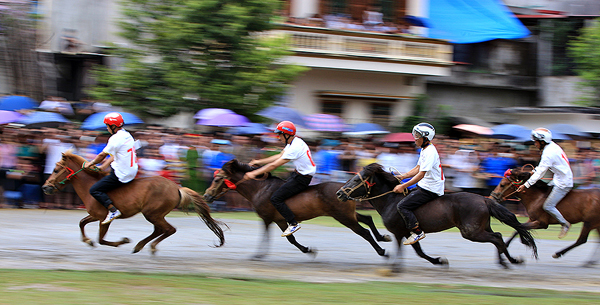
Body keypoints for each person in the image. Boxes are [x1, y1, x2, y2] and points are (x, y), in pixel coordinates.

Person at [243, 121, 316, 237]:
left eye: (279, 135)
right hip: (297, 174)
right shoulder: (294, 142)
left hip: (302, 178)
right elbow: (279, 156)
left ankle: (293, 223)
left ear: (286, 134)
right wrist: (259, 162)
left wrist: (254, 173)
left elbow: (274, 166)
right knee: (282, 191)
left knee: (275, 198)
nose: (278, 137)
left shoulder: (295, 147)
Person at [392, 123, 444, 245]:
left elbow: (421, 174)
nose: (414, 138)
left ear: (425, 138)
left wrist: (403, 186)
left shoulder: (430, 151)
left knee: (402, 206)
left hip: (431, 188)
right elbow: (418, 167)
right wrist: (403, 176)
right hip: (426, 184)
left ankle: (417, 232)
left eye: (417, 135)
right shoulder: (425, 149)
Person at [516, 128, 573, 238]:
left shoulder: (548, 153)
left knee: (548, 206)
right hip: (558, 179)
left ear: (542, 141)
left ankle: (565, 224)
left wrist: (525, 185)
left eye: (536, 142)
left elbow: (541, 172)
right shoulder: (552, 145)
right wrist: (534, 171)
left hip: (563, 183)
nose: (535, 144)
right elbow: (542, 167)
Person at [85, 112, 138, 224]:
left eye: (108, 126)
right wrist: (103, 166)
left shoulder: (115, 138)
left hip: (121, 173)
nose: (107, 128)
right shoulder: (127, 135)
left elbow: (102, 155)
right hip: (132, 170)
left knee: (94, 190)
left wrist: (91, 163)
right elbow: (114, 155)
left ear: (113, 126)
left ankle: (112, 210)